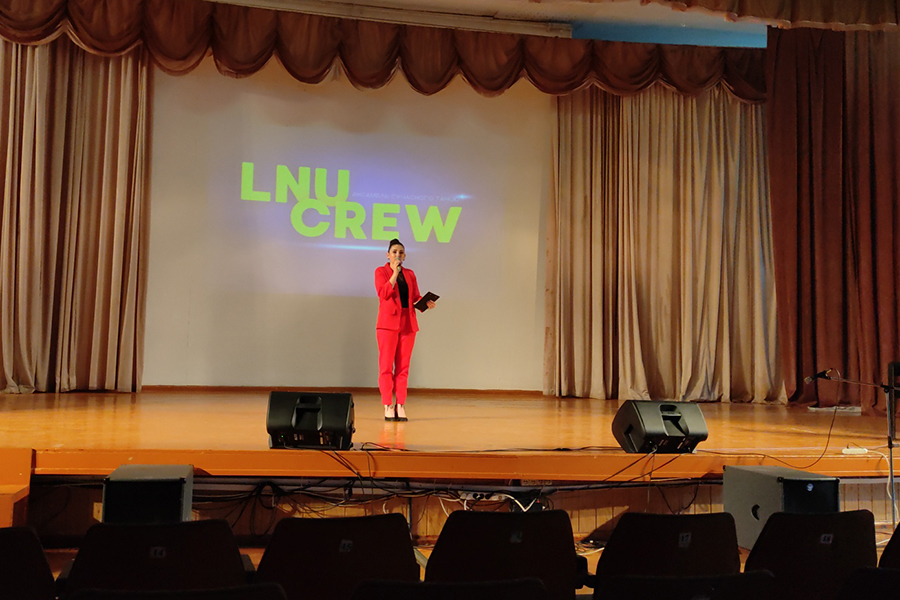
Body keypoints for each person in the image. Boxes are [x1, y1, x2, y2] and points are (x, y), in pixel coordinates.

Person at [375, 239, 436, 421]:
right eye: (394, 252)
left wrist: (425, 303)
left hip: (407, 322)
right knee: (386, 367)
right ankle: (388, 404)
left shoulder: (410, 274)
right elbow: (384, 294)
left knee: (403, 367)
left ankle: (400, 404)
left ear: (405, 256)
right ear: (388, 255)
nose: (397, 255)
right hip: (387, 323)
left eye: (401, 252)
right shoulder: (381, 272)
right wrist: (394, 273)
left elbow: (415, 297)